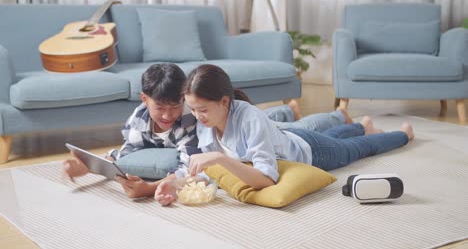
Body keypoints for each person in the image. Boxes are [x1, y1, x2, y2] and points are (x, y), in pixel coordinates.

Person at [62, 63, 352, 198]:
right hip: (274, 135)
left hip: (296, 144)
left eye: (175, 106)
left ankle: (342, 116)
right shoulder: (149, 117)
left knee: (323, 131)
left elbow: (201, 165)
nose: (167, 115)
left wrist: (153, 188)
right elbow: (131, 153)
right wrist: (93, 166)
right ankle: (324, 116)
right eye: (158, 107)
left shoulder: (197, 118)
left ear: (184, 101)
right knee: (301, 125)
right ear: (144, 100)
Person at [154, 64, 414, 205]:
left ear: (224, 101)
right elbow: (201, 169)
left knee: (358, 148)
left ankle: (402, 134)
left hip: (310, 151)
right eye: (194, 110)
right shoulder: (206, 121)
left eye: (203, 110)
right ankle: (361, 124)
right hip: (288, 137)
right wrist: (173, 184)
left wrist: (219, 159)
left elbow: (266, 179)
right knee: (337, 136)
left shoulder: (249, 118)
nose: (197, 117)